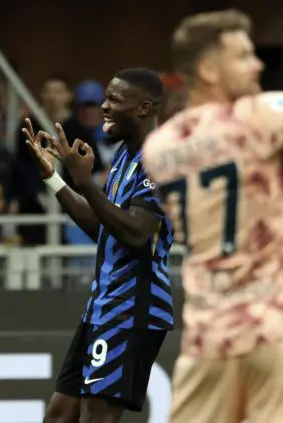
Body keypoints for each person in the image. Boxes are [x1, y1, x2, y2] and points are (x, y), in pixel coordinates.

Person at [142, 10, 283, 423]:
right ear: (209, 70)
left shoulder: (158, 148)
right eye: (244, 56)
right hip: (277, 329)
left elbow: (224, 153)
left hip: (208, 336)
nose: (258, 64)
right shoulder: (260, 115)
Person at [23, 68, 174, 423]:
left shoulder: (162, 161)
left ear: (143, 108)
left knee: (97, 416)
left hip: (133, 307)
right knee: (60, 413)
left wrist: (86, 182)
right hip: (104, 305)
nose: (104, 107)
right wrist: (54, 178)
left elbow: (137, 234)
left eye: (115, 100)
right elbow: (104, 228)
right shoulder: (124, 156)